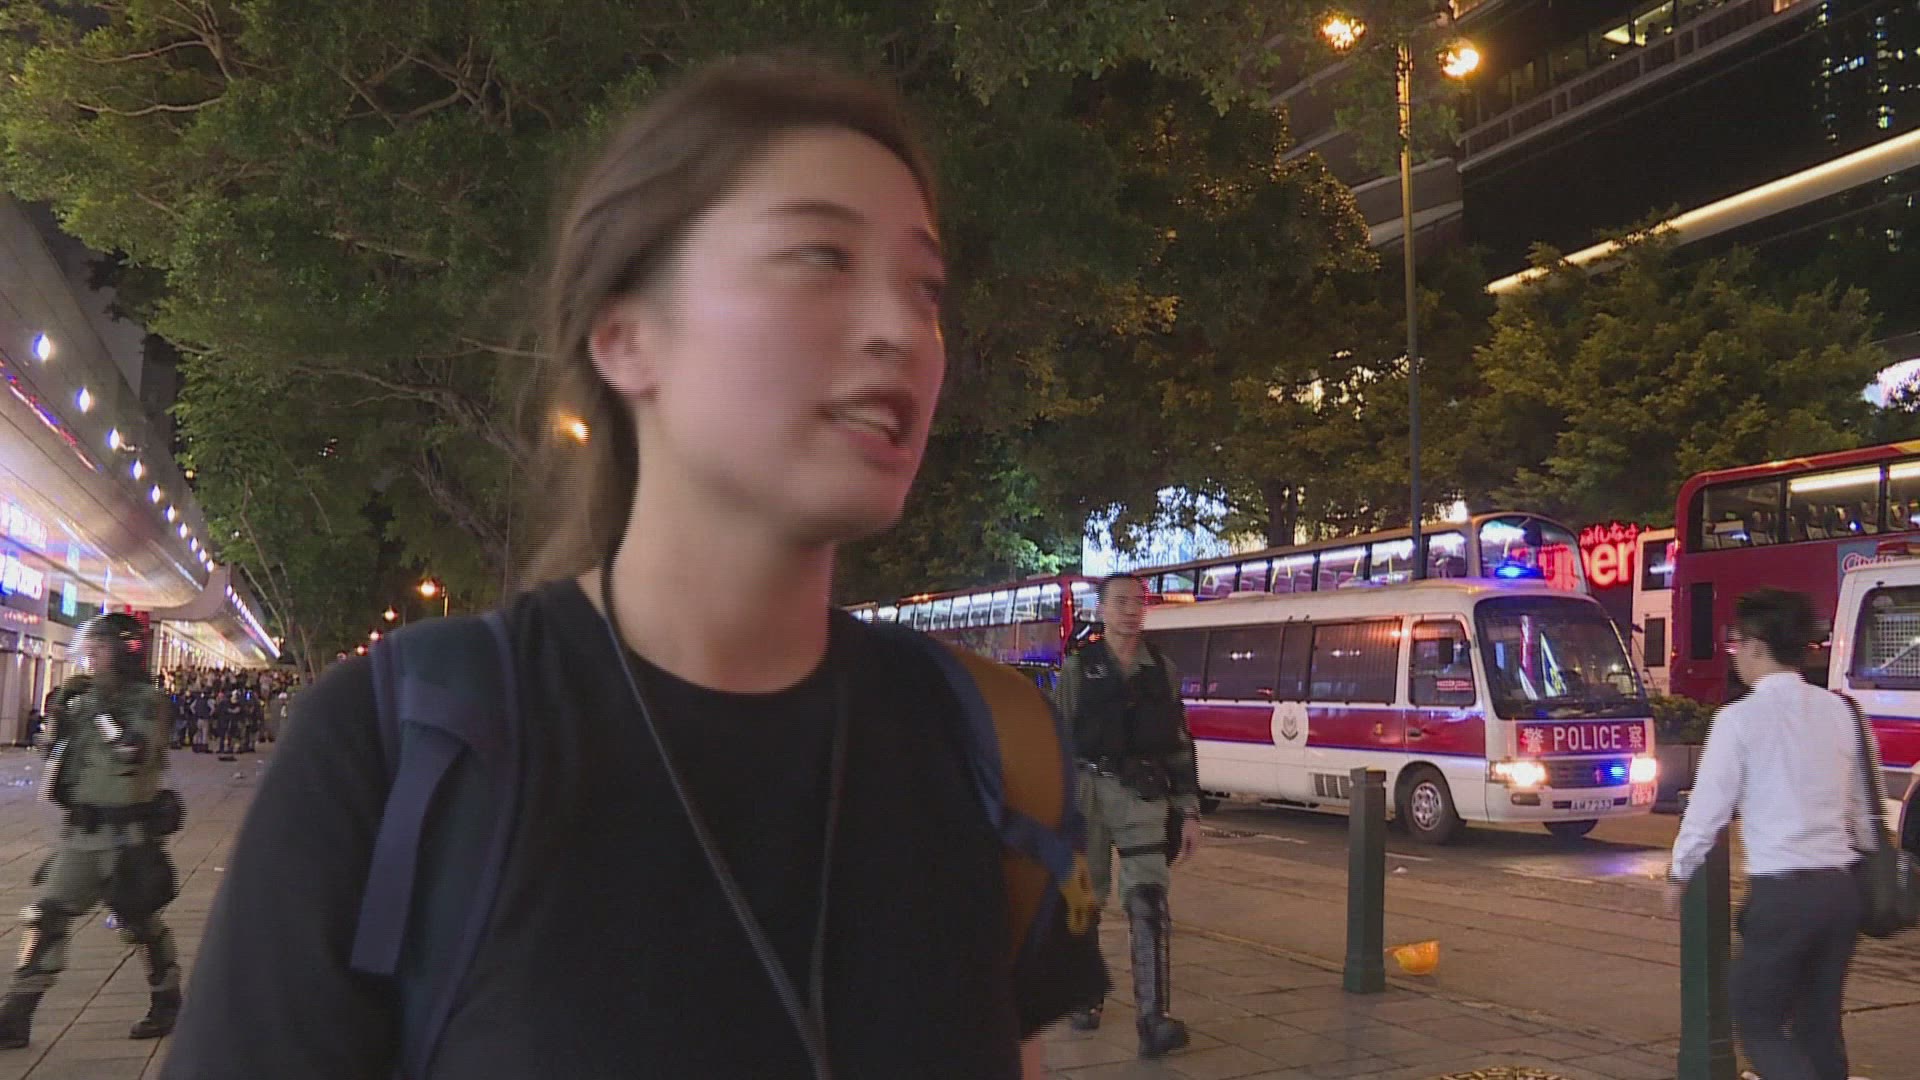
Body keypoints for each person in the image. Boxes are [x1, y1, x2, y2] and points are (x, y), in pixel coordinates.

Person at [163, 55, 1103, 1079]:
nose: (901, 332)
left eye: (926, 288)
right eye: (820, 257)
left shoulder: (989, 745)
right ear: (625, 337)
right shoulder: (394, 748)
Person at [1668, 588, 1877, 1080]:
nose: (1734, 653)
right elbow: (1866, 815)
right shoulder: (1843, 712)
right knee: (1819, 1025)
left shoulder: (1738, 719)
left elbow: (1707, 809)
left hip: (1782, 895)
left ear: (1757, 646)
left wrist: (1679, 873)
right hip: (1840, 892)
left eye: (1736, 642)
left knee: (1757, 1022)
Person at [0, 614, 180, 1049]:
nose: (91, 657)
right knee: (46, 916)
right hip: (82, 834)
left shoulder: (147, 701)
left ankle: (167, 1000)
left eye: (100, 649)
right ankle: (15, 1016)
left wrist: (96, 708)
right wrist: (58, 720)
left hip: (128, 837)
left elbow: (132, 750)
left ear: (124, 652)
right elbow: (54, 756)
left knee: (139, 922)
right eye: (91, 648)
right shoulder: (83, 699)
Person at [1055, 572, 1201, 1058]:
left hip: (1142, 796)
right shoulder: (1079, 668)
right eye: (1120, 602)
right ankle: (1084, 993)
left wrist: (1189, 811)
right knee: (1085, 900)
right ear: (1101, 610)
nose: (1131, 610)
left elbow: (1179, 744)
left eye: (1138, 602)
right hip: (1086, 797)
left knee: (1148, 899)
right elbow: (1057, 738)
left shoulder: (1161, 669)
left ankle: (1153, 1019)